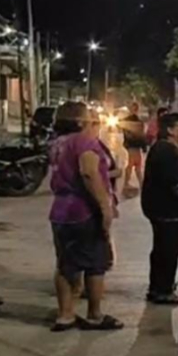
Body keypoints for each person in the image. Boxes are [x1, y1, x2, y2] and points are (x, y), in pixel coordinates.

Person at [48, 101, 122, 331]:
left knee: (65, 264)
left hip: (60, 210)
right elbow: (88, 173)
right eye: (89, 116)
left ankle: (65, 314)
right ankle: (95, 315)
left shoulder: (58, 143)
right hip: (83, 210)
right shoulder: (84, 141)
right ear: (79, 121)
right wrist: (104, 206)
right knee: (95, 263)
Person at [141, 111, 178, 304]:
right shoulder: (168, 152)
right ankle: (163, 290)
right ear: (171, 130)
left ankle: (158, 287)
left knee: (163, 247)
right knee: (168, 249)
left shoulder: (166, 149)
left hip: (161, 208)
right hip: (167, 209)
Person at [121, 102, 148, 193]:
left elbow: (141, 134)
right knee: (133, 164)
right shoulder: (134, 121)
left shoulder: (136, 120)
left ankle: (139, 184)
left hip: (134, 145)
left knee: (136, 165)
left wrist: (143, 145)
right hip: (133, 145)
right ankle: (129, 184)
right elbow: (138, 134)